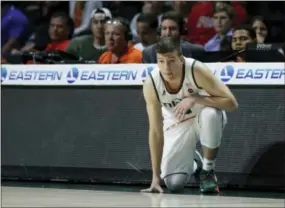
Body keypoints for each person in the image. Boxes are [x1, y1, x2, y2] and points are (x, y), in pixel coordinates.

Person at [141, 37, 238, 194]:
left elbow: (231, 103)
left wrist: (194, 98)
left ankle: (208, 170)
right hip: (177, 121)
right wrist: (155, 178)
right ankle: (195, 162)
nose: (166, 67)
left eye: (171, 60)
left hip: (202, 114)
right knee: (174, 183)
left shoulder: (196, 70)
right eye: (161, 61)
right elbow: (155, 131)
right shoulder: (151, 83)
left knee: (211, 115)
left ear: (181, 59)